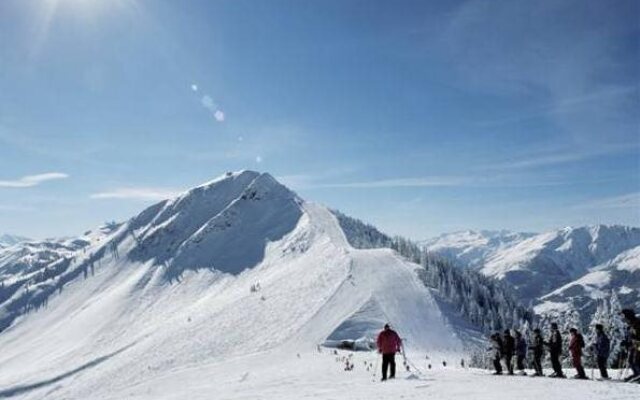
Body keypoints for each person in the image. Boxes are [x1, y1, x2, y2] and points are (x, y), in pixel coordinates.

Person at [620, 309, 640, 382]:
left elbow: (637, 336)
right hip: (635, 346)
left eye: (624, 316)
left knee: (636, 361)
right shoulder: (631, 324)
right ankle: (636, 374)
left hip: (638, 346)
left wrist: (630, 342)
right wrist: (626, 341)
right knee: (631, 361)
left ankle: (638, 375)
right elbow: (631, 336)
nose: (623, 319)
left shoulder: (637, 323)